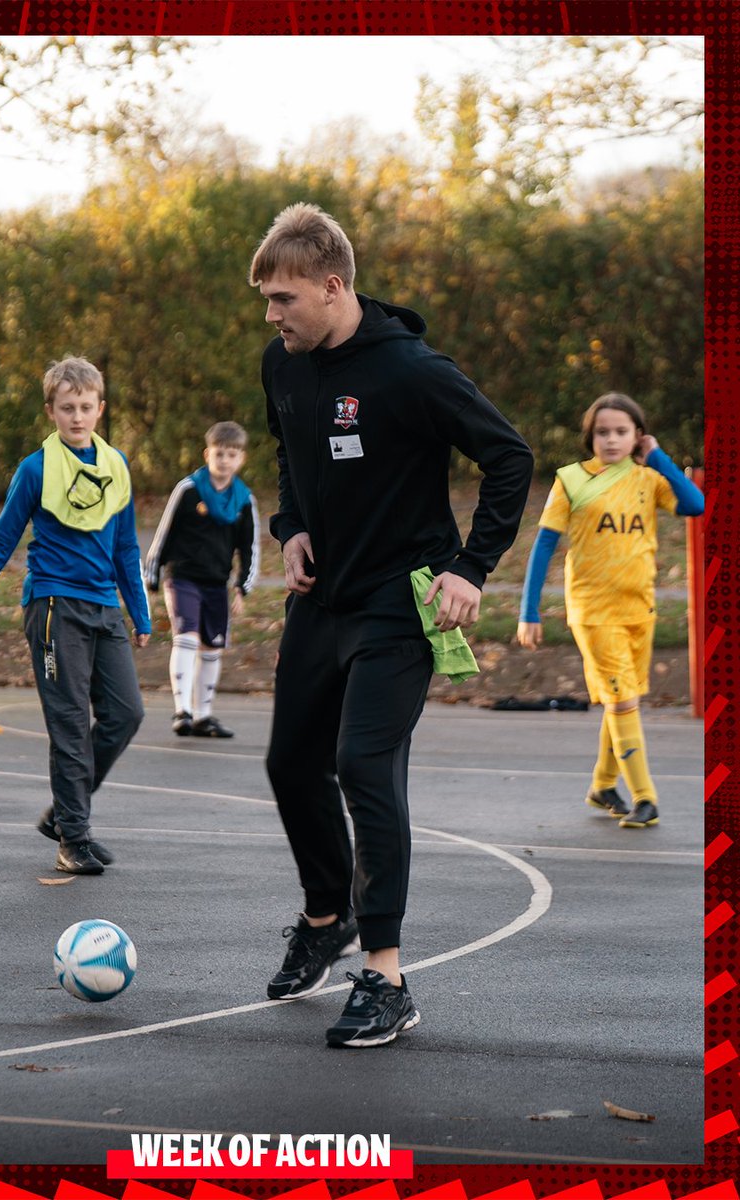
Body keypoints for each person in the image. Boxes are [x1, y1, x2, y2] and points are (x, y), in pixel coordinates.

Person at [249, 202, 534, 1048]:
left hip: (399, 604)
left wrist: (469, 568)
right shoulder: (283, 365)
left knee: (362, 763)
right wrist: (289, 525)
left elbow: (509, 456)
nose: (271, 314)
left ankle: (386, 975)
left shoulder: (411, 372)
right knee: (289, 763)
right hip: (322, 599)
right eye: (266, 298)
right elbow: (287, 453)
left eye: (285, 298)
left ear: (333, 287)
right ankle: (326, 915)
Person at [0, 357, 150, 876]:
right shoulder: (35, 469)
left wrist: (140, 614)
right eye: (66, 408)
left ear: (100, 408)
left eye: (85, 407)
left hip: (104, 609)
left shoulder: (115, 465)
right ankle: (73, 837)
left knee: (126, 714)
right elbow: (0, 542)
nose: (77, 417)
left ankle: (64, 811)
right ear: (51, 411)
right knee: (71, 724)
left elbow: (126, 548)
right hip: (54, 608)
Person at [517, 391, 704, 830]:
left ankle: (603, 785)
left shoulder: (647, 478)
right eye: (603, 432)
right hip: (593, 610)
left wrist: (658, 458)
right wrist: (530, 611)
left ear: (637, 436)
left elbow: (694, 504)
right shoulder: (571, 481)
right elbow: (544, 547)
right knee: (623, 700)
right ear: (590, 437)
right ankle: (645, 797)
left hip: (639, 608)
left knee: (623, 701)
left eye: (622, 431)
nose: (612, 439)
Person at [144, 421, 260, 738]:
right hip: (182, 578)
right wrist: (151, 579)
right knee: (187, 637)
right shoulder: (188, 490)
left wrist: (242, 587)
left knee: (212, 647)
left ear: (241, 459)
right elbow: (163, 534)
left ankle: (203, 716)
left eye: (232, 455)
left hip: (216, 583)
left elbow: (248, 547)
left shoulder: (244, 501)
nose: (225, 460)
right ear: (208, 454)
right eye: (220, 453)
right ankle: (183, 711)